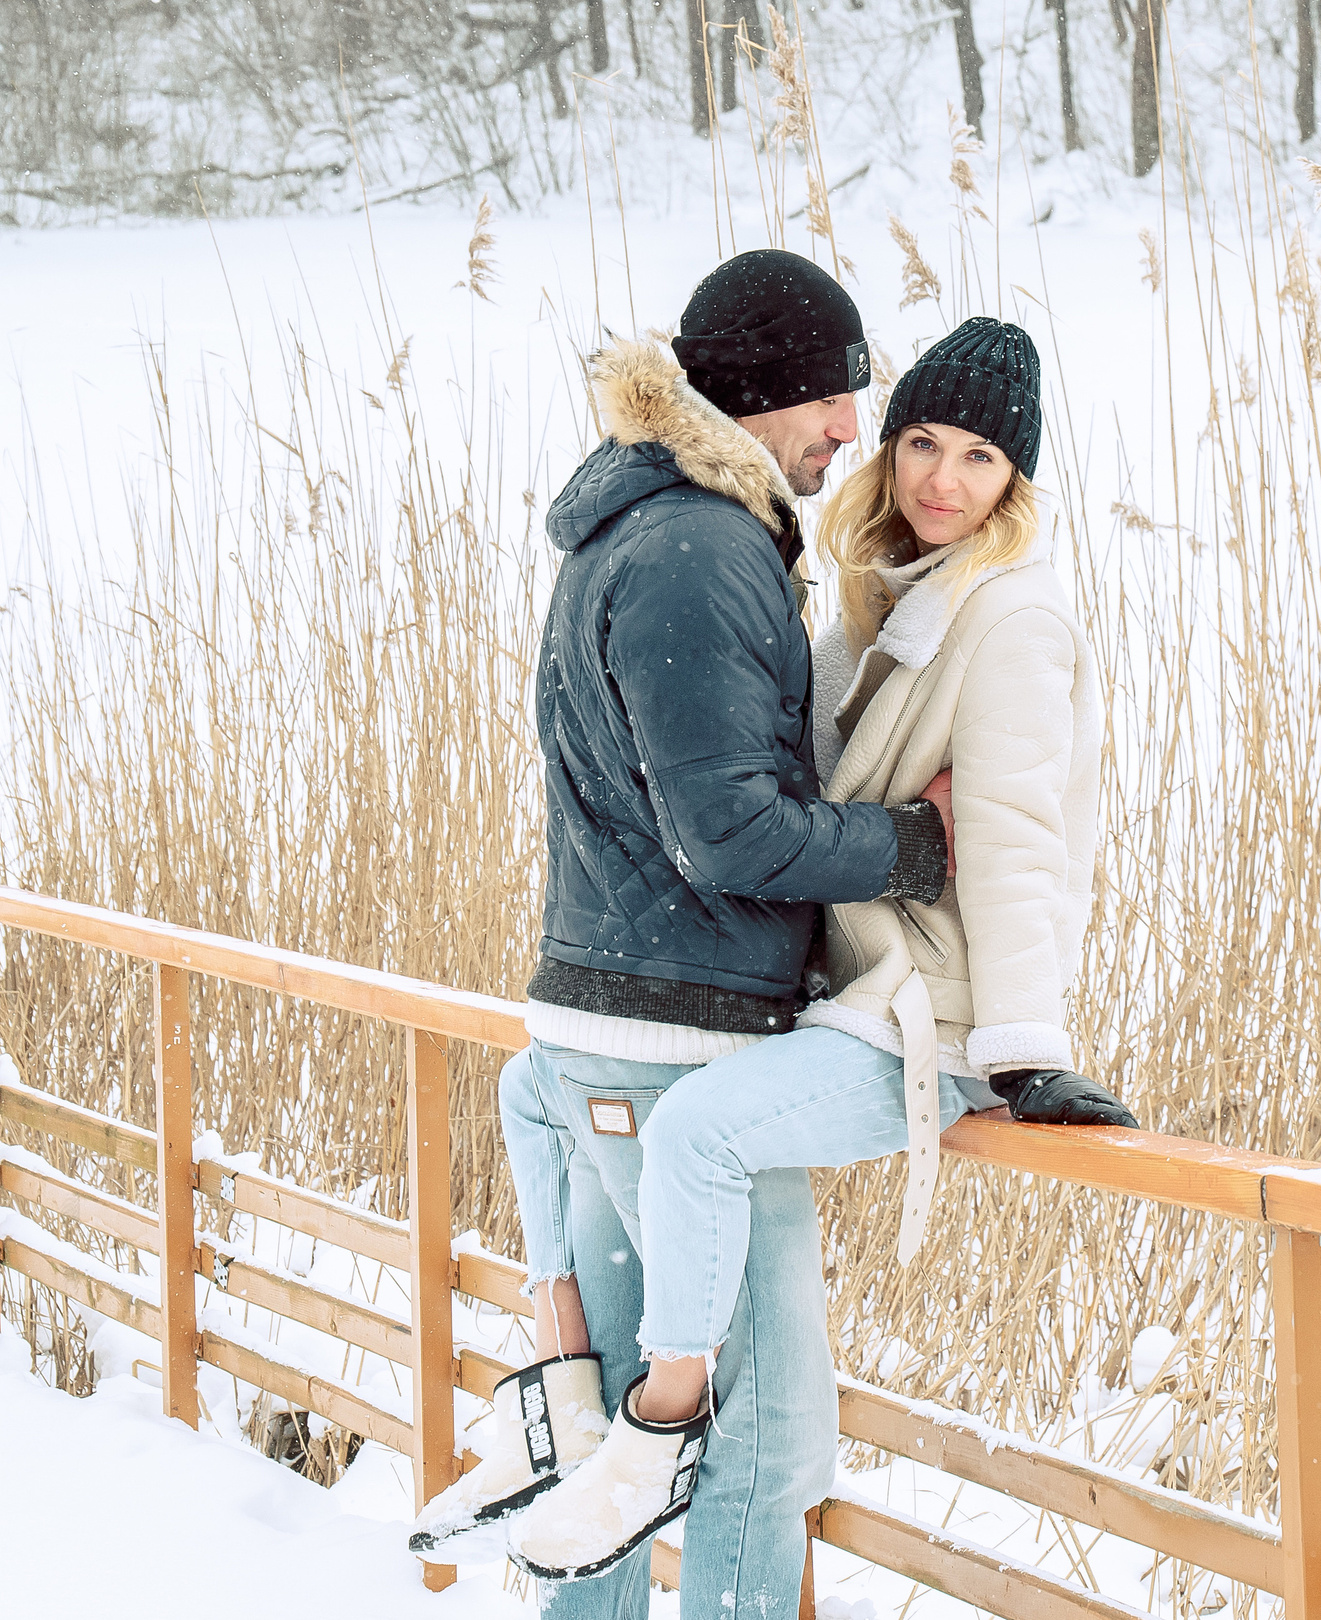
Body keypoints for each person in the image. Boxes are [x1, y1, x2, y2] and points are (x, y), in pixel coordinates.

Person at [504, 316, 1140, 1582]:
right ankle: (567, 1372)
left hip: (935, 1016)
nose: (940, 480)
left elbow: (1010, 842)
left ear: (1017, 483)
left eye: (978, 459)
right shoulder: (864, 594)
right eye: (919, 443)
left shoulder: (1009, 621)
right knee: (537, 1088)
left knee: (697, 1135)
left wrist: (1024, 1049)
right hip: (845, 1005)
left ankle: (653, 1423)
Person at [409, 250, 956, 1619]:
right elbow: (735, 836)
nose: (855, 433)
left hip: (601, 1025)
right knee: (762, 1459)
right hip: (683, 1047)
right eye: (839, 398)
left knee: (605, 1451)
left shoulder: (636, 532)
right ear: (770, 391)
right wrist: (918, 846)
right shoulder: (703, 553)